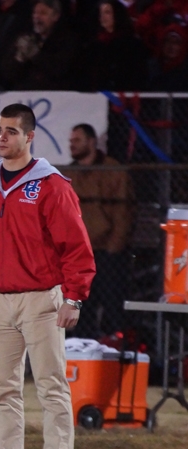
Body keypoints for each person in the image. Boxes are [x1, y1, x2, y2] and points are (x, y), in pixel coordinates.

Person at [0, 104, 95, 449]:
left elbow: (76, 246)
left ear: (29, 136)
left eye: (11, 131)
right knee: (3, 390)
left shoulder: (52, 185)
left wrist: (74, 298)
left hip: (41, 300)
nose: (1, 137)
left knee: (51, 387)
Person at [67, 123, 134, 339]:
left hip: (106, 252)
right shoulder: (68, 173)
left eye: (77, 140)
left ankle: (116, 347)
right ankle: (82, 349)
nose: (72, 145)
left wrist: (113, 249)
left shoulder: (113, 171)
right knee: (81, 309)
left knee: (112, 306)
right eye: (71, 141)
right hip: (78, 254)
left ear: (92, 142)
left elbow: (123, 213)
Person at [1, 0, 78, 90]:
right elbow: (8, 75)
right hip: (25, 94)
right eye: (34, 13)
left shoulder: (67, 40)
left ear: (55, 16)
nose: (37, 17)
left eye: (43, 13)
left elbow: (60, 69)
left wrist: (36, 55)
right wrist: (19, 58)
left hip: (55, 95)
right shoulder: (25, 38)